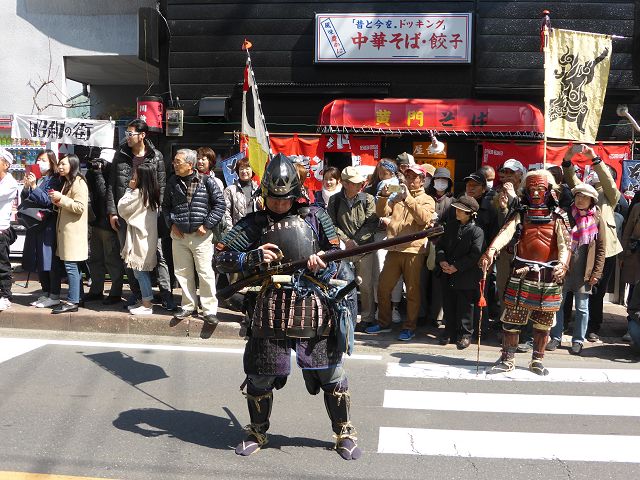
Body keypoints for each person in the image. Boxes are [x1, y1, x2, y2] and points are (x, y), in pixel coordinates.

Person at [214, 153, 361, 460]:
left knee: (330, 374)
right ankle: (257, 430)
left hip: (312, 304)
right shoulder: (252, 224)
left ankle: (344, 430)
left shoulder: (316, 217)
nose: (279, 205)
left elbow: (339, 261)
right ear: (264, 194)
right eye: (274, 199)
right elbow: (221, 258)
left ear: (295, 194)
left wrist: (322, 266)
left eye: (285, 199)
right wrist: (251, 257)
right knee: (260, 377)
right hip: (268, 307)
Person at [479, 170, 570, 376]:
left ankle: (537, 360)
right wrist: (491, 251)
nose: (536, 193)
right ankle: (507, 359)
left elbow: (565, 245)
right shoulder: (521, 213)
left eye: (540, 188)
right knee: (511, 320)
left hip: (548, 276)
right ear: (525, 191)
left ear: (549, 191)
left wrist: (562, 264)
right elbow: (506, 233)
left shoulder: (558, 216)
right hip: (521, 274)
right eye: (532, 189)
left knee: (543, 322)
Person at [106, 118, 172, 309]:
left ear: (142, 135)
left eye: (130, 134)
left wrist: (159, 212)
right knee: (129, 255)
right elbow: (112, 184)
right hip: (125, 211)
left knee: (158, 255)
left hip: (150, 215)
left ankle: (165, 294)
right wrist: (112, 212)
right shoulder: (121, 155)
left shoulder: (156, 156)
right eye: (126, 134)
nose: (127, 137)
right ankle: (138, 294)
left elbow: (162, 184)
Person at [365, 164, 436, 341]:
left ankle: (410, 327)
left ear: (422, 180)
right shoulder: (397, 195)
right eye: (408, 176)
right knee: (383, 287)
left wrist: (408, 199)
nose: (411, 180)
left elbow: (424, 219)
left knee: (412, 291)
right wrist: (383, 196)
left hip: (414, 250)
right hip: (394, 248)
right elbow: (381, 212)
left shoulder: (427, 199)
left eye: (415, 177)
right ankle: (384, 323)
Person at [562, 145, 623, 341]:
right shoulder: (586, 194)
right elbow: (573, 181)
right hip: (579, 247)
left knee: (596, 290)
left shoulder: (610, 196)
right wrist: (567, 160)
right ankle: (565, 323)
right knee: (570, 286)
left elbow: (608, 182)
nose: (595, 176)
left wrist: (595, 159)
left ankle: (593, 327)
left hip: (604, 250)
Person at [162, 148, 224, 325]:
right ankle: (188, 306)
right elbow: (165, 207)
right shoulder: (172, 182)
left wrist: (207, 225)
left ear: (190, 164)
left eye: (178, 161)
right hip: (179, 235)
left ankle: (209, 310)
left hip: (201, 235)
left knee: (205, 272)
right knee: (182, 273)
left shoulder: (207, 181)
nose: (174, 164)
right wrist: (171, 224)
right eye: (174, 161)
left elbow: (220, 204)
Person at [547, 184, 605, 355]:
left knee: (582, 308)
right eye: (578, 196)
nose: (580, 200)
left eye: (585, 197)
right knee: (558, 304)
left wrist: (597, 273)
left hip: (584, 272)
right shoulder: (565, 216)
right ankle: (555, 337)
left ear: (592, 200)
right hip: (565, 268)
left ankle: (578, 340)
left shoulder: (596, 219)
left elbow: (602, 248)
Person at [328, 166, 379, 330]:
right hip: (344, 250)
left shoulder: (368, 199)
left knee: (366, 285)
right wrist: (346, 240)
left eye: (360, 183)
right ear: (345, 183)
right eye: (356, 183)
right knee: (343, 284)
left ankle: (367, 318)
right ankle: (343, 315)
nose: (360, 185)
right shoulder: (334, 200)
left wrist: (355, 241)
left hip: (365, 249)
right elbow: (331, 224)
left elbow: (371, 223)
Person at [436, 195, 484, 349]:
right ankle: (448, 331)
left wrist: (456, 266)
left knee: (466, 305)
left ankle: (465, 334)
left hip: (466, 274)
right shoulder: (450, 226)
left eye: (461, 210)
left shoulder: (477, 231)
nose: (457, 211)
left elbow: (475, 254)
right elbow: (440, 246)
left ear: (470, 213)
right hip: (447, 272)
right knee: (448, 303)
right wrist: (442, 260)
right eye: (457, 208)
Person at [21, 149, 64, 309]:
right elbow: (27, 200)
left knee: (50, 260)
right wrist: (27, 188)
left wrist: (34, 187)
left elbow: (47, 201)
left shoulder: (54, 180)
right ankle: (45, 292)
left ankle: (54, 294)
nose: (40, 163)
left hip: (48, 225)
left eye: (43, 160)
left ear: (52, 162)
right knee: (40, 259)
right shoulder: (40, 179)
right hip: (37, 224)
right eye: (38, 159)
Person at [118, 164, 161, 315]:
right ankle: (144, 301)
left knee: (140, 272)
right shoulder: (151, 193)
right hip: (146, 237)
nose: (132, 178)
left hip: (140, 238)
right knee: (140, 271)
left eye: (135, 176)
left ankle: (147, 304)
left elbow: (122, 208)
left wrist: (129, 190)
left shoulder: (138, 194)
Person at [49, 154, 89, 314]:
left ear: (72, 165)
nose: (59, 167)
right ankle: (78, 297)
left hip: (73, 233)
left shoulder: (78, 183)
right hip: (68, 232)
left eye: (63, 164)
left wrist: (61, 198)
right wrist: (57, 201)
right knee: (74, 267)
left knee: (71, 266)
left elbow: (80, 207)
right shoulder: (68, 182)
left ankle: (72, 301)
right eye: (59, 164)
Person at [84, 156, 126, 305]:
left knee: (112, 260)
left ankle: (115, 293)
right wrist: (94, 173)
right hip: (95, 222)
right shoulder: (93, 173)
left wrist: (99, 174)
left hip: (109, 225)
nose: (99, 164)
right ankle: (96, 290)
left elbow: (104, 196)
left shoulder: (113, 174)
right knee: (95, 260)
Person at [0, 148, 18, 310]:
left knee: (2, 265)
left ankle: (5, 296)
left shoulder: (10, 183)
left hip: (1, 230)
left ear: (6, 164)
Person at [223, 156, 260, 228]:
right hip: (238, 231)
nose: (244, 171)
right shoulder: (230, 190)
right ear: (238, 171)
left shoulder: (258, 189)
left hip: (256, 230)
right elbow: (226, 212)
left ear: (252, 170)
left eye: (247, 168)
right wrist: (230, 231)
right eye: (241, 169)